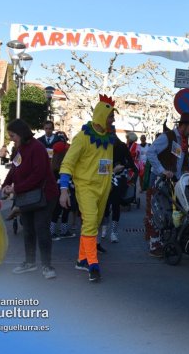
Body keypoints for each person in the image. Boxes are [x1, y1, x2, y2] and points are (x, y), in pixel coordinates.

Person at [59, 95, 116, 283]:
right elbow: (67, 163)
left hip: (104, 187)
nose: (113, 120)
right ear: (100, 115)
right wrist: (64, 189)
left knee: (93, 224)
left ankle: (81, 259)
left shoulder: (109, 137)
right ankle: (93, 264)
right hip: (85, 187)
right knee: (90, 221)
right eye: (110, 116)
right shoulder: (82, 137)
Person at [2, 119, 59, 279]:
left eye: (13, 135)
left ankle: (47, 266)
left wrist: (16, 188)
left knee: (42, 229)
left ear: (21, 133)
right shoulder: (19, 148)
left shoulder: (37, 148)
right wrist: (6, 184)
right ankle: (30, 262)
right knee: (27, 229)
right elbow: (14, 168)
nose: (12, 138)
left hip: (45, 196)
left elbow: (38, 175)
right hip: (27, 196)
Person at [145, 112, 189, 257]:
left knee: (168, 212)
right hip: (159, 180)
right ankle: (154, 245)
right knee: (156, 212)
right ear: (184, 126)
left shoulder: (183, 140)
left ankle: (163, 241)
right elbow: (150, 153)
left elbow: (180, 161)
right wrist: (162, 170)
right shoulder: (167, 137)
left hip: (173, 182)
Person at [101, 135, 137, 243]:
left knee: (116, 205)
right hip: (106, 178)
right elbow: (101, 166)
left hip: (118, 179)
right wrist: (112, 170)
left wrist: (123, 166)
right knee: (105, 205)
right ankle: (104, 228)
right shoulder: (103, 145)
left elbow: (130, 162)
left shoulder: (121, 146)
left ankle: (113, 232)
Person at [50, 141, 76, 241]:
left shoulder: (53, 164)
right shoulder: (63, 165)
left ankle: (55, 231)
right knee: (64, 209)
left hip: (57, 189)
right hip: (64, 188)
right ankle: (59, 231)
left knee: (58, 210)